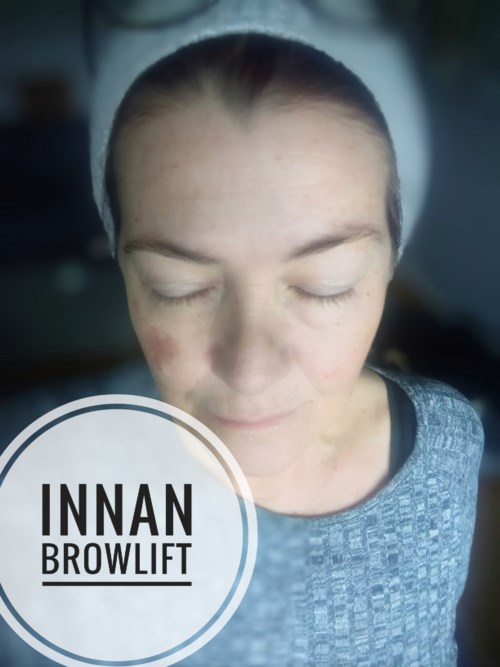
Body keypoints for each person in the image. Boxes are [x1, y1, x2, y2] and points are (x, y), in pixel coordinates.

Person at [89, 3, 484, 665]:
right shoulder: (59, 482)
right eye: (177, 287)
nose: (250, 370)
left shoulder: (447, 442)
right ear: (124, 270)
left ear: (390, 263)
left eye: (326, 284)